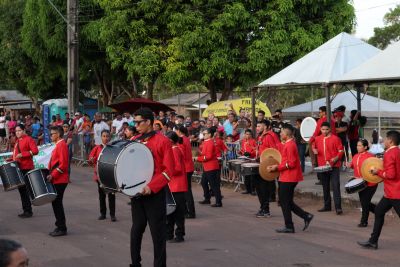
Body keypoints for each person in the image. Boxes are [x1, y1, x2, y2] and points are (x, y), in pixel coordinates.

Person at [130, 108, 175, 267]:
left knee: (158, 235)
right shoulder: (135, 140)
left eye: (138, 122)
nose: (135, 125)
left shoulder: (163, 141)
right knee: (136, 230)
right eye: (134, 122)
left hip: (154, 194)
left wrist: (151, 187)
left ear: (148, 122)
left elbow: (169, 171)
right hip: (137, 194)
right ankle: (135, 263)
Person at [267, 124, 313, 233]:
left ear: (286, 135)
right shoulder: (288, 144)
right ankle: (306, 216)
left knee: (284, 202)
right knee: (286, 201)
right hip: (287, 176)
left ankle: (290, 225)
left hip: (289, 177)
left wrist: (277, 167)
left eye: (282, 132)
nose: (280, 134)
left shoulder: (290, 145)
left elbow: (291, 163)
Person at [358, 130, 400, 250]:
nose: (384, 141)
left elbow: (391, 175)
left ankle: (373, 241)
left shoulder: (389, 153)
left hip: (395, 193)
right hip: (391, 193)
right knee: (379, 212)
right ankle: (373, 241)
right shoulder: (397, 151)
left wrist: (378, 172)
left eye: (386, 139)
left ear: (390, 141)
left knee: (379, 212)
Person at [313, 122, 344, 215]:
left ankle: (338, 207)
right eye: (322, 129)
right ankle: (327, 206)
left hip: (334, 166)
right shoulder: (318, 139)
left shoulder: (336, 138)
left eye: (326, 129)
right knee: (325, 187)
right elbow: (313, 146)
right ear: (320, 129)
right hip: (322, 166)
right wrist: (314, 150)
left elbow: (341, 150)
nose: (324, 131)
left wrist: (336, 158)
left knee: (335, 186)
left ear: (330, 129)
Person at [346, 139, 377, 227]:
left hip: (371, 183)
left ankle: (364, 222)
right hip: (359, 183)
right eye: (357, 145)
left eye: (360, 146)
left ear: (365, 147)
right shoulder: (355, 156)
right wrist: (349, 165)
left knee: (364, 202)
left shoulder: (371, 156)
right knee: (364, 202)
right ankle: (378, 211)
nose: (357, 147)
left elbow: (376, 168)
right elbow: (353, 166)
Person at [254, 120, 281, 218]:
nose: (257, 128)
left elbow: (273, 152)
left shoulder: (269, 136)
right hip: (261, 164)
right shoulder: (261, 136)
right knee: (259, 188)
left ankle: (265, 209)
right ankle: (263, 208)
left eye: (259, 126)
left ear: (265, 127)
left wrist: (268, 163)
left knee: (263, 188)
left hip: (267, 166)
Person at [89, 129, 116, 222]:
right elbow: (91, 160)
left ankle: (113, 215)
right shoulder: (97, 148)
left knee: (111, 195)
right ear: (101, 137)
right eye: (104, 136)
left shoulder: (113, 148)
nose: (105, 138)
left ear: (110, 137)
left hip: (110, 175)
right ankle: (103, 214)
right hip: (100, 176)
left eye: (107, 136)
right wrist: (91, 160)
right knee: (102, 196)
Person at [12, 124, 39, 218]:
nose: (17, 132)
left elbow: (35, 151)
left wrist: (23, 155)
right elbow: (16, 154)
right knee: (21, 190)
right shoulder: (17, 140)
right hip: (19, 167)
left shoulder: (28, 139)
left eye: (19, 130)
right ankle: (25, 210)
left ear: (23, 130)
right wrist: (11, 159)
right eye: (16, 131)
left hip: (26, 167)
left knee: (24, 190)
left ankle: (28, 211)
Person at [165, 131, 188, 243]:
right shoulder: (174, 149)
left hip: (176, 185)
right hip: (173, 185)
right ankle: (169, 233)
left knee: (177, 212)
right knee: (171, 211)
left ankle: (179, 234)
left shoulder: (175, 150)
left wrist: (166, 171)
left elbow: (177, 168)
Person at [47, 126, 69, 237]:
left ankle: (62, 228)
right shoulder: (58, 145)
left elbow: (63, 165)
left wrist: (53, 175)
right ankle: (59, 225)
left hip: (60, 179)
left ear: (58, 134)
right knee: (56, 203)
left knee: (57, 203)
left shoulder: (62, 145)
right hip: (57, 179)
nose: (50, 136)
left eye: (52, 134)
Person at [197, 127, 222, 207]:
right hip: (207, 166)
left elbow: (208, 156)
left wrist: (198, 158)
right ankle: (207, 198)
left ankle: (218, 201)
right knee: (203, 183)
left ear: (209, 135)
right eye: (203, 134)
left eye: (204, 134)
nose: (203, 135)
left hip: (211, 166)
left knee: (214, 185)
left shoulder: (210, 142)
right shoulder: (206, 142)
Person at [175, 125, 196, 219]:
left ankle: (190, 212)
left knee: (186, 192)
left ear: (179, 131)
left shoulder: (182, 140)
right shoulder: (185, 139)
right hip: (188, 167)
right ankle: (186, 211)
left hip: (186, 168)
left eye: (176, 130)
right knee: (186, 191)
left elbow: (182, 154)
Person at [240, 129, 257, 195]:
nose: (248, 135)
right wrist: (241, 152)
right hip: (245, 159)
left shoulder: (253, 141)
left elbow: (256, 150)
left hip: (252, 159)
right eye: (247, 134)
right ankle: (247, 189)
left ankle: (253, 190)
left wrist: (250, 154)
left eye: (249, 134)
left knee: (252, 176)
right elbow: (242, 150)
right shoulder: (243, 141)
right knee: (246, 175)